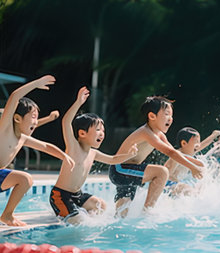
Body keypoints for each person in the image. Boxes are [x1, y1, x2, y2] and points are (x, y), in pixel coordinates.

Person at [49, 87, 138, 224]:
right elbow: (66, 122)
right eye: (97, 130)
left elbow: (113, 159)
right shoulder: (73, 147)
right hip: (61, 196)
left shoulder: (93, 152)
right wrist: (79, 102)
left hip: (77, 195)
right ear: (82, 133)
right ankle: (71, 213)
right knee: (79, 222)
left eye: (103, 130)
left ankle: (76, 211)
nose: (102, 133)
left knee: (101, 206)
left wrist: (129, 155)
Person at [109, 96, 204, 216]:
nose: (170, 119)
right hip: (121, 170)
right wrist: (193, 167)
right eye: (167, 114)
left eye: (171, 115)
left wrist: (195, 162)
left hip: (127, 171)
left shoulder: (158, 134)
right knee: (162, 172)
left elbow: (176, 153)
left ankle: (117, 226)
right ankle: (147, 213)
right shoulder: (146, 132)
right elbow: (171, 153)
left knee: (122, 213)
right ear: (152, 116)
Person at [0, 75, 75, 226]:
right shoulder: (5, 130)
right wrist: (36, 84)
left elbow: (46, 146)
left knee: (25, 179)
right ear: (16, 118)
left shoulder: (21, 138)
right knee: (24, 178)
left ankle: (7, 216)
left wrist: (64, 156)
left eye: (37, 118)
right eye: (33, 117)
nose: (35, 121)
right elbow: (14, 97)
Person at [164, 127, 209, 196]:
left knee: (201, 189)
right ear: (184, 143)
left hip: (175, 184)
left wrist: (214, 135)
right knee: (189, 190)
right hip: (168, 184)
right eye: (196, 143)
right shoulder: (177, 155)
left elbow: (203, 145)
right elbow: (165, 174)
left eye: (199, 142)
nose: (199, 145)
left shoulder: (187, 152)